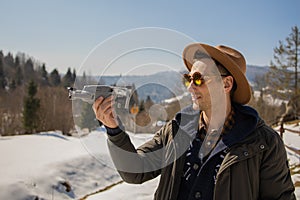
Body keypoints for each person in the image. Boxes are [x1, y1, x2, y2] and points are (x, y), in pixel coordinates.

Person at [93, 43, 296, 200]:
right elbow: (135, 171)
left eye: (198, 79)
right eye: (188, 78)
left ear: (226, 84)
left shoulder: (264, 143)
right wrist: (114, 129)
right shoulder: (176, 128)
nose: (190, 87)